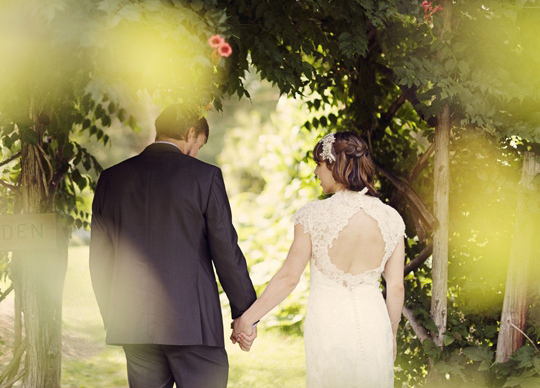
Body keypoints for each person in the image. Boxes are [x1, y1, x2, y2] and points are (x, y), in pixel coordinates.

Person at [90, 104, 257, 388]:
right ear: (190, 133)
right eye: (198, 145)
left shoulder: (111, 178)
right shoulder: (205, 177)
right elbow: (225, 250)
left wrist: (116, 315)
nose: (196, 154)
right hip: (194, 327)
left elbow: (100, 260)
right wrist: (246, 312)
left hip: (134, 326)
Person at [231, 132, 406, 387]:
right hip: (373, 323)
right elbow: (396, 286)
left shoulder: (313, 215)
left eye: (319, 164)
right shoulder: (391, 218)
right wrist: (392, 333)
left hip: (328, 324)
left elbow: (289, 278)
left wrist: (247, 319)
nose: (315, 172)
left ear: (334, 165)